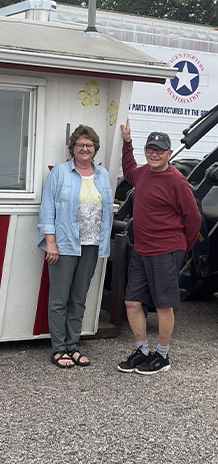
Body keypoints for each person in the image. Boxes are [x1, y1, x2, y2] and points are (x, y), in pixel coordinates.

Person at [117, 121, 201, 375]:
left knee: (164, 306)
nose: (154, 154)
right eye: (150, 149)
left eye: (160, 150)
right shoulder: (143, 173)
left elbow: (194, 219)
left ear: (169, 153)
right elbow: (129, 170)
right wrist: (127, 143)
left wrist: (179, 249)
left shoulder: (177, 181)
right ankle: (142, 351)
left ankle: (162, 356)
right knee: (132, 302)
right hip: (141, 251)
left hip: (165, 252)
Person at [38, 125, 113, 368]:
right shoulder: (60, 172)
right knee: (60, 299)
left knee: (79, 298)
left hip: (92, 244)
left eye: (89, 145)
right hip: (65, 243)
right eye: (80, 144)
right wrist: (51, 242)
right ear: (73, 148)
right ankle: (59, 349)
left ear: (95, 149)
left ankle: (73, 345)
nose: (84, 149)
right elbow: (48, 208)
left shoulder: (102, 175)